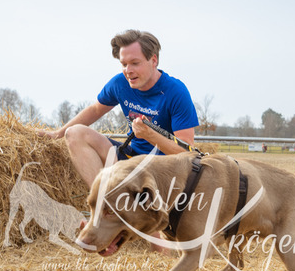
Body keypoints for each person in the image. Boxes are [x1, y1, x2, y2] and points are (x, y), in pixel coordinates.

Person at [39, 29, 199, 188]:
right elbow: (95, 110)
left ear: (153, 60)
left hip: (164, 169)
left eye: (135, 63)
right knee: (74, 133)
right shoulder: (120, 83)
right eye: (124, 64)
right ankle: (106, 197)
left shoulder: (176, 91)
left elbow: (187, 154)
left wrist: (150, 135)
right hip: (131, 157)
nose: (128, 71)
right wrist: (57, 134)